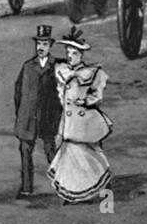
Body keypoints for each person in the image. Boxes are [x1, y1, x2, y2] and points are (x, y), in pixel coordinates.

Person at [47, 28, 113, 205]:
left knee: (87, 153)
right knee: (70, 154)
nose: (70, 57)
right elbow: (62, 97)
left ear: (81, 55)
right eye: (68, 53)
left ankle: (95, 183)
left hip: (84, 119)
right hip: (69, 120)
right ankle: (73, 193)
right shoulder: (63, 72)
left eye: (74, 53)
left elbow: (97, 95)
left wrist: (86, 101)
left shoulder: (92, 73)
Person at [13, 24, 63, 198]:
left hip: (48, 117)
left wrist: (57, 115)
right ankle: (27, 187)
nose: (41, 47)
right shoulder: (27, 66)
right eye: (39, 44)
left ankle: (63, 185)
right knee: (25, 152)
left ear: (50, 46)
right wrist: (21, 113)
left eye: (45, 44)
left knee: (51, 152)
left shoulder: (56, 66)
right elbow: (18, 91)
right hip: (28, 118)